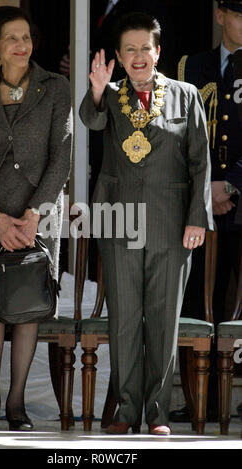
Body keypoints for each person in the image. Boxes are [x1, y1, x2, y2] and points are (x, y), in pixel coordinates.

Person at [79, 12, 213, 436]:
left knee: (162, 319)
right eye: (130, 49)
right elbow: (92, 121)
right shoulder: (111, 95)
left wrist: (198, 219)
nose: (139, 57)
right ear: (119, 55)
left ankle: (156, 413)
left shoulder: (186, 95)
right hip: (119, 221)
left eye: (146, 48)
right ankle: (125, 409)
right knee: (123, 319)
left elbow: (200, 164)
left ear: (159, 52)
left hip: (171, 224)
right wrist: (97, 92)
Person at [0, 6, 72, 431]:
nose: (21, 46)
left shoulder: (55, 86)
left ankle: (17, 402)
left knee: (27, 307)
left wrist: (30, 217)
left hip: (37, 216)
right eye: (12, 38)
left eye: (26, 37)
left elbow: (62, 156)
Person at [171, 0, 242, 423]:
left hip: (239, 197)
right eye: (239, 13)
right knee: (196, 295)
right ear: (220, 15)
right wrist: (206, 184)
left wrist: (230, 180)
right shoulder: (188, 66)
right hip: (197, 203)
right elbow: (176, 131)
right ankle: (200, 399)